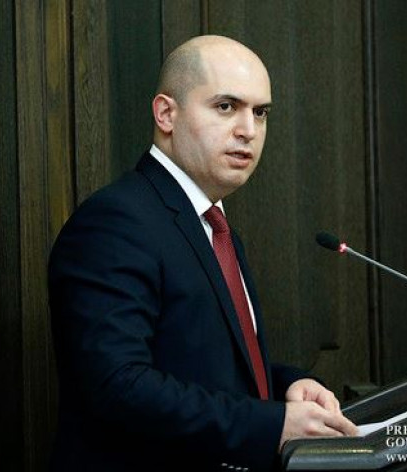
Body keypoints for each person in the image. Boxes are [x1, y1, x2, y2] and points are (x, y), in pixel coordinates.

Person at [47, 34, 358, 472]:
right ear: (166, 113)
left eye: (261, 112)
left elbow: (201, 365)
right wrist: (272, 425)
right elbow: (117, 385)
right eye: (226, 106)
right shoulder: (116, 221)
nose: (248, 130)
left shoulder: (213, 224)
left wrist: (287, 385)